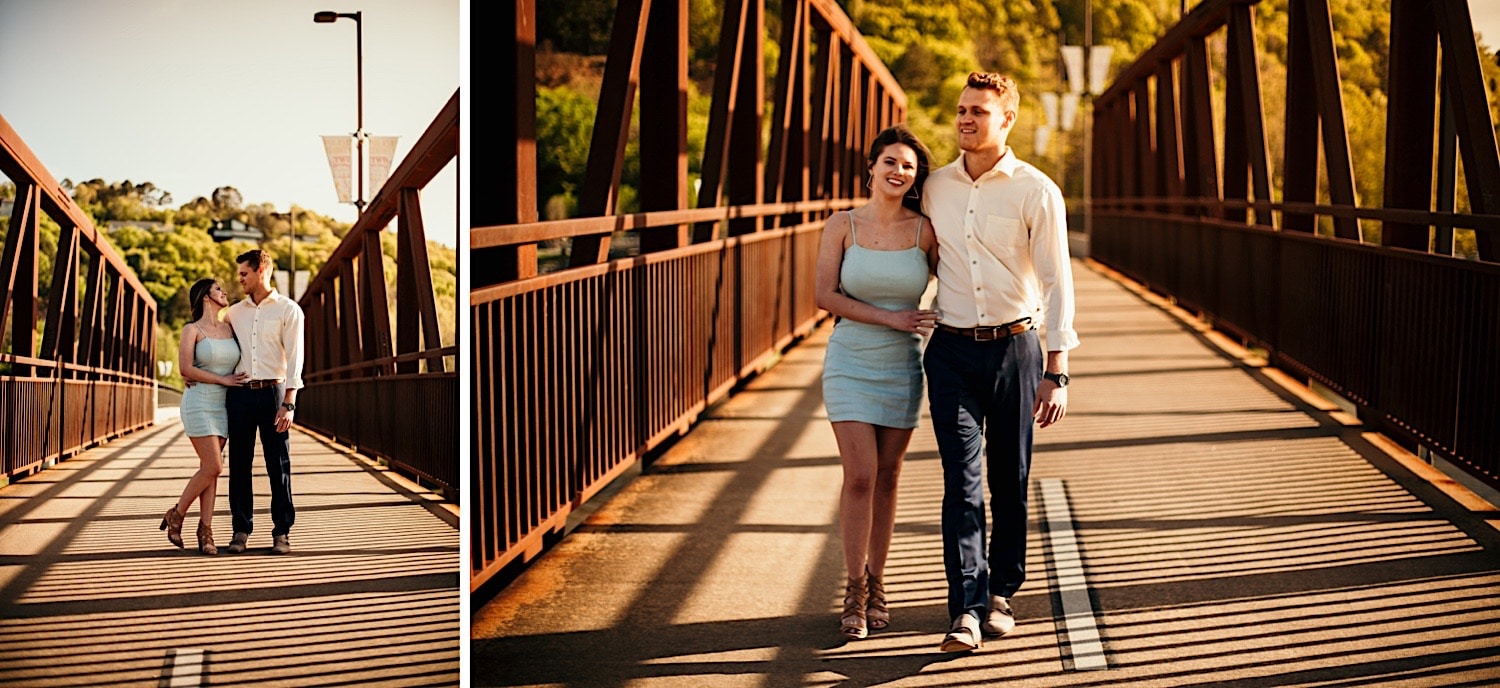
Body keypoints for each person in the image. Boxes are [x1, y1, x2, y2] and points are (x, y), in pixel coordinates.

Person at [922, 72, 1078, 652]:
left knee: (1008, 478)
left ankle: (1000, 593)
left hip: (1018, 349)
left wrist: (1056, 371)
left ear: (1006, 119)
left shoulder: (1037, 190)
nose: (965, 119)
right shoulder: (934, 186)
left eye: (978, 112)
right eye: (961, 110)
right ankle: (964, 608)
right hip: (952, 351)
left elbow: (1059, 282)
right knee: (961, 484)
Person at [815, 124, 939, 640]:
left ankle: (879, 582)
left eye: (908, 165)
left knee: (889, 477)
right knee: (861, 475)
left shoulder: (924, 231)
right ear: (871, 167)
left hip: (903, 367)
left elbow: (960, 285)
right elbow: (825, 295)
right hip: (850, 360)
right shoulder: (841, 224)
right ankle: (853, 589)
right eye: (890, 161)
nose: (898, 171)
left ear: (915, 177)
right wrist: (891, 318)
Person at [222, 249, 306, 555]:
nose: (240, 279)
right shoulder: (233, 313)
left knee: (278, 465)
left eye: (244, 273)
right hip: (241, 394)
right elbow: (220, 350)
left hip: (274, 393)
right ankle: (240, 530)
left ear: (261, 271)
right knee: (239, 465)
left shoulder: (288, 310)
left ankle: (282, 532)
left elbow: (296, 358)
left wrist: (289, 402)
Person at [161, 278, 247, 554]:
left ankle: (205, 532)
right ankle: (177, 514)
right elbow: (186, 369)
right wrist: (224, 381)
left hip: (224, 405)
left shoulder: (231, 328)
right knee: (214, 466)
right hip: (198, 402)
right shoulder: (192, 330)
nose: (225, 292)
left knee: (211, 471)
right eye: (218, 289)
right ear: (205, 297)